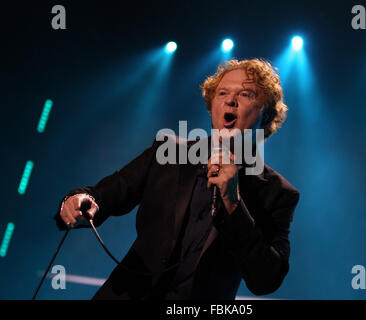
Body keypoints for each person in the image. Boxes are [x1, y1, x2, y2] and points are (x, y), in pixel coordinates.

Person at [55, 58, 300, 300]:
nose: (231, 100)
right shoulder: (169, 153)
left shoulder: (277, 192)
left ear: (265, 114)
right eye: (222, 93)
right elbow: (104, 194)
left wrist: (233, 203)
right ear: (212, 104)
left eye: (246, 94)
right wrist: (79, 200)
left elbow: (267, 279)